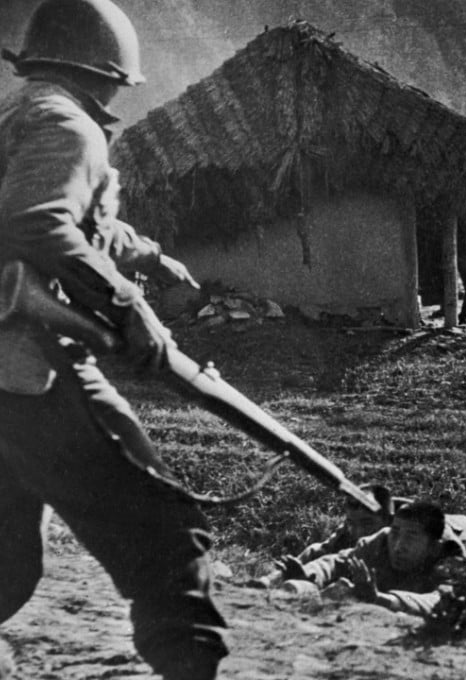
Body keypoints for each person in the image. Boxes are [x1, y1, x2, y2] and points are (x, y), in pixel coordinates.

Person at [0, 2, 226, 678]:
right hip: (34, 369)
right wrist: (130, 307)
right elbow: (39, 220)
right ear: (106, 73)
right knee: (167, 540)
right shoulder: (69, 124)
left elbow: (77, 219)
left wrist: (148, 256)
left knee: (5, 558)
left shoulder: (21, 115)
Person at [279, 500, 466, 616]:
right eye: (396, 533)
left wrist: (380, 599)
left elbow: (440, 602)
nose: (399, 545)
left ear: (433, 548)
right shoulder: (385, 539)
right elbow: (339, 561)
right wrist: (311, 576)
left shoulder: (456, 560)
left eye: (411, 537)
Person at [252, 485, 396, 589]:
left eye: (367, 523)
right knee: (314, 550)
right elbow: (325, 553)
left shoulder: (397, 538)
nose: (358, 531)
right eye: (352, 523)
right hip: (340, 571)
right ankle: (270, 581)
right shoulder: (346, 531)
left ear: (388, 520)